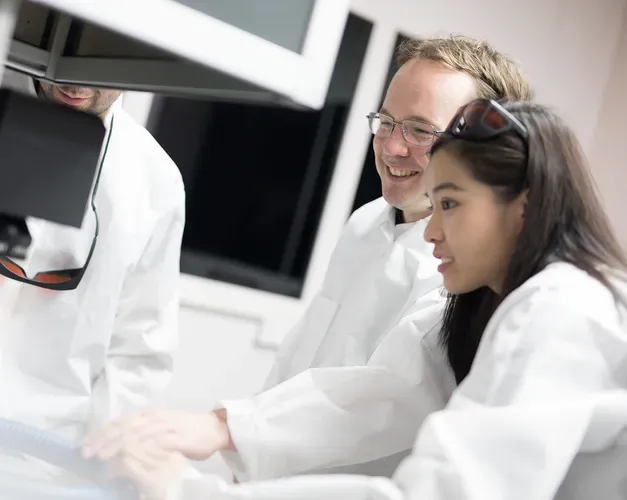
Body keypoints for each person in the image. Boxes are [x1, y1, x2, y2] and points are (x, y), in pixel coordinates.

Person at [85, 99, 627, 500]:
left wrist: (198, 494)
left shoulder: (561, 307)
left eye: (451, 205)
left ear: (526, 204)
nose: (432, 231)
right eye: (433, 206)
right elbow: (378, 391)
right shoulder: (494, 303)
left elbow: (447, 491)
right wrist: (224, 428)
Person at [81, 35, 533, 481]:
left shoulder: (470, 267)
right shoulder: (367, 222)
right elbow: (305, 352)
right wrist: (244, 450)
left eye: (419, 130)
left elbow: (389, 393)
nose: (393, 147)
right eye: (387, 122)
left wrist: (228, 428)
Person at [0, 72, 185, 478]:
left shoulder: (154, 178)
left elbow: (139, 348)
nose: (77, 84)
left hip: (44, 456)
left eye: (101, 70)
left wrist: (95, 467)